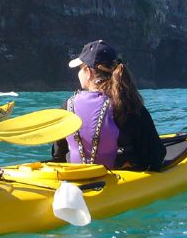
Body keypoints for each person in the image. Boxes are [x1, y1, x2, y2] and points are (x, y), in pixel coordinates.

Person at [51, 39, 166, 171]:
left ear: (88, 72)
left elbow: (57, 156)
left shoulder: (67, 106)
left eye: (80, 68)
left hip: (75, 183)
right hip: (121, 183)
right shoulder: (129, 106)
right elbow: (156, 156)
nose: (79, 73)